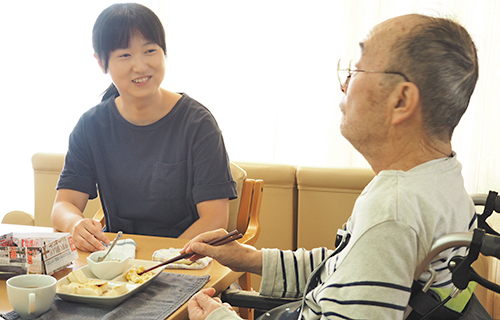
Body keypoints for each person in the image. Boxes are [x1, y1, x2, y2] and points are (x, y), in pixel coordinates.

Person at [183, 14, 482, 320]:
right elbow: (351, 268)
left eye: (357, 69)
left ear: (401, 100)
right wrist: (250, 258)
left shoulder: (393, 209)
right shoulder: (440, 177)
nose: (344, 85)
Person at [51, 3, 237, 252]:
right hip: (118, 264)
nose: (140, 66)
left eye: (150, 50)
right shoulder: (91, 126)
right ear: (101, 62)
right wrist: (76, 224)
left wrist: (156, 260)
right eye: (125, 55)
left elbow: (214, 220)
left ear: (163, 52)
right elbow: (63, 205)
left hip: (184, 259)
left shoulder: (198, 124)